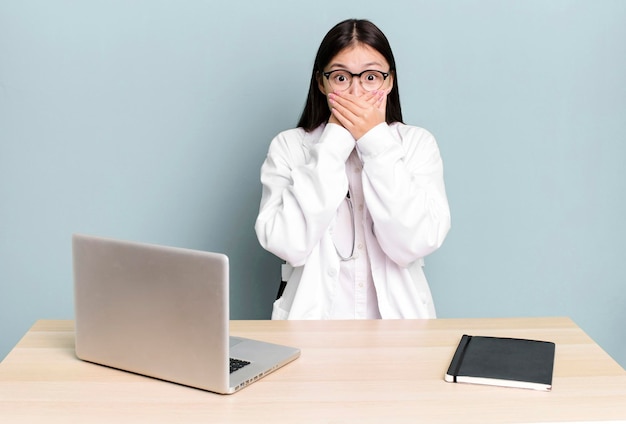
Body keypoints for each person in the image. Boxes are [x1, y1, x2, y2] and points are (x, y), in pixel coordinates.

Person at [255, 19, 451, 320]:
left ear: (388, 82)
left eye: (371, 77)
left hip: (400, 332)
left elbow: (416, 242)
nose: (356, 91)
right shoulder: (289, 147)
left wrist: (375, 143)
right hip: (310, 331)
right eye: (342, 78)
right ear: (322, 82)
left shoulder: (416, 145)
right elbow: (286, 243)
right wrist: (332, 145)